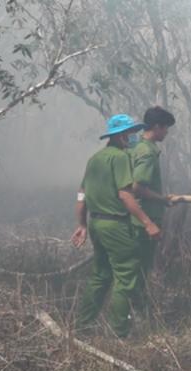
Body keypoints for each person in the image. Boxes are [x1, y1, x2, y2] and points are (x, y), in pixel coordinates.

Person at [70, 114, 161, 338]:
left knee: (100, 276)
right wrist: (148, 223)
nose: (132, 137)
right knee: (126, 278)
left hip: (96, 224)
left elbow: (81, 194)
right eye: (129, 133)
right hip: (116, 225)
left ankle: (82, 326)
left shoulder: (95, 158)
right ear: (119, 136)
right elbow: (126, 196)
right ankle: (117, 334)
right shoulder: (120, 158)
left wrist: (82, 224)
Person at [131, 106, 175, 282]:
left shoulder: (135, 146)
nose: (166, 132)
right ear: (157, 127)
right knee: (140, 270)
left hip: (135, 218)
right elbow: (137, 188)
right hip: (144, 220)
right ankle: (135, 307)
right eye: (165, 128)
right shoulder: (148, 152)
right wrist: (162, 199)